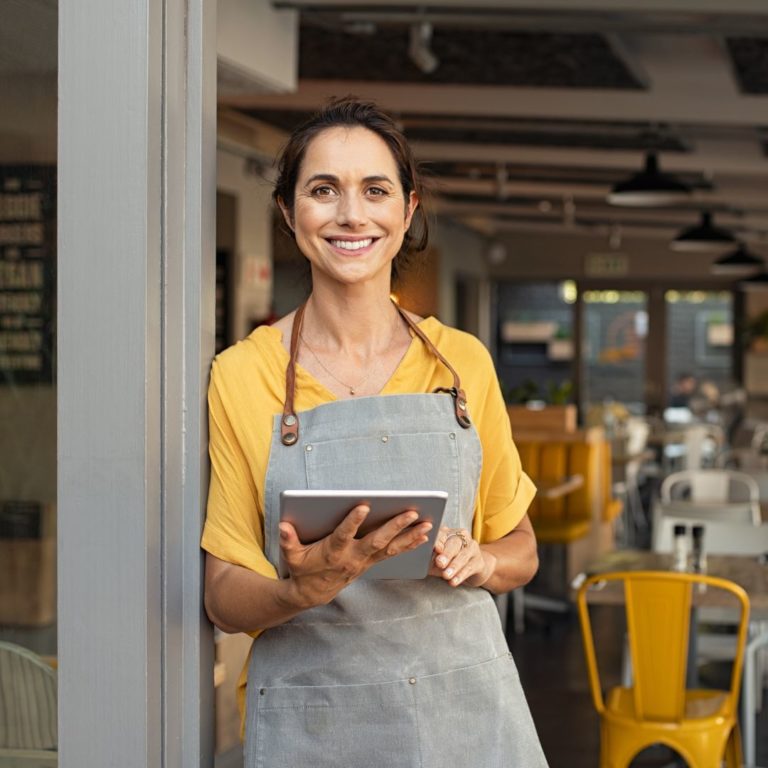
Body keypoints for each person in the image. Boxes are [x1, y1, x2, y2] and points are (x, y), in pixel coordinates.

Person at [201, 97, 548, 768]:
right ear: (287, 210)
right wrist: (299, 589)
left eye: (375, 190)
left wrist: (483, 561)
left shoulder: (461, 364)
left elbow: (522, 547)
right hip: (318, 720)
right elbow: (222, 595)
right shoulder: (243, 375)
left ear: (408, 209)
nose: (351, 215)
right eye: (323, 190)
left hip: (464, 711)